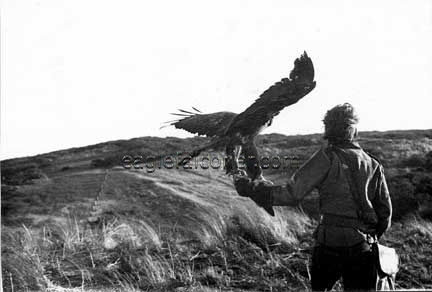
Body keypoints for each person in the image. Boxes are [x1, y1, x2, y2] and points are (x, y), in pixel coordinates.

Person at [233, 103, 392, 291]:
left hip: (329, 243)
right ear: (353, 129)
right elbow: (385, 216)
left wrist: (251, 189)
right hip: (363, 246)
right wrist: (367, 237)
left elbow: (291, 194)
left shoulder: (327, 157)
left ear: (329, 129)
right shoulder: (373, 164)